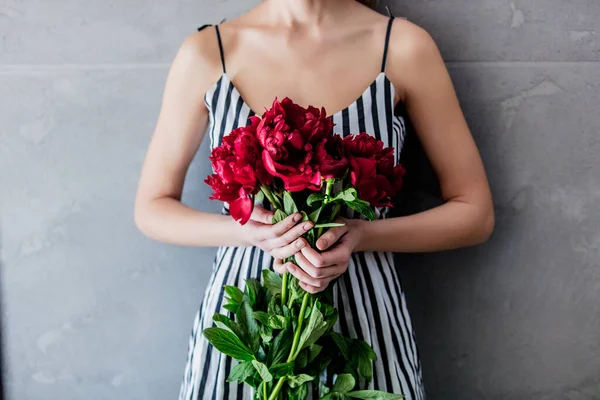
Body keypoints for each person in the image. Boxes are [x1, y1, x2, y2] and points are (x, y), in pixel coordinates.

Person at [134, 0, 495, 399]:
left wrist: (360, 235)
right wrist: (250, 231)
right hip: (246, 327)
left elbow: (474, 212)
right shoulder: (208, 51)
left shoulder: (402, 47)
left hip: (364, 320)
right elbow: (152, 207)